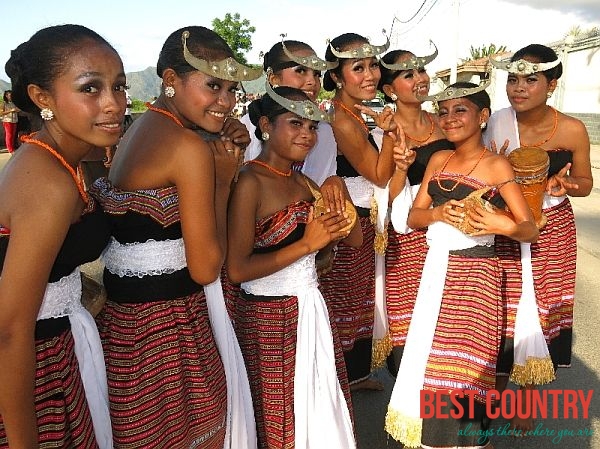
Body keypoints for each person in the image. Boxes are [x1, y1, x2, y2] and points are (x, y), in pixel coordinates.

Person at [90, 26, 261, 449]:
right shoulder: (188, 148)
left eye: (231, 88)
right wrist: (222, 181)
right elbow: (206, 268)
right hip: (169, 331)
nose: (226, 101)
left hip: (126, 329)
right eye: (213, 86)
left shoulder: (139, 129)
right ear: (170, 81)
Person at [385, 81, 539, 449]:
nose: (450, 118)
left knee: (467, 369)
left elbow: (529, 227)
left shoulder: (496, 164)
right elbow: (413, 217)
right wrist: (438, 212)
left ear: (483, 116)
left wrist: (502, 224)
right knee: (433, 368)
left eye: (461, 110)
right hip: (436, 273)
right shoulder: (439, 160)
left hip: (476, 278)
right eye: (444, 111)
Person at [0, 24, 125, 448]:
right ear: (42, 99)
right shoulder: (46, 181)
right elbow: (10, 330)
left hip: (58, 353)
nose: (114, 104)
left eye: (119, 87)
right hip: (32, 373)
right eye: (91, 88)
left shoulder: (61, 161)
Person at [227, 83, 361, 449]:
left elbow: (354, 239)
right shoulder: (250, 182)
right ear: (266, 125)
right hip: (266, 319)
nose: (306, 134)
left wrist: (338, 188)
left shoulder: (303, 181)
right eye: (295, 124)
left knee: (313, 407)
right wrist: (307, 244)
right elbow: (237, 270)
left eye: (313, 126)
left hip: (310, 311)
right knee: (278, 417)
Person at [486, 43, 593, 432]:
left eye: (531, 79)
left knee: (544, 308)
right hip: (505, 225)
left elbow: (585, 183)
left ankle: (527, 396)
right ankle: (495, 395)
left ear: (552, 84)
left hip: (553, 229)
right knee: (502, 309)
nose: (519, 87)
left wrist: (567, 184)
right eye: (513, 79)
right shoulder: (495, 123)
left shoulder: (572, 129)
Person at [318, 32, 397, 391]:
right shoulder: (342, 119)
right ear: (335, 77)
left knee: (356, 301)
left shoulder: (353, 113)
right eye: (358, 68)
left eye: (372, 66)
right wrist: (391, 134)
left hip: (362, 219)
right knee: (343, 303)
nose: (370, 75)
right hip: (348, 223)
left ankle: (351, 375)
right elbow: (380, 173)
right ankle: (337, 381)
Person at [372, 45, 454, 375]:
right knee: (411, 331)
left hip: (450, 234)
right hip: (407, 243)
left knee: (447, 325)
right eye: (409, 75)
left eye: (421, 71)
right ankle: (409, 414)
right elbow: (386, 197)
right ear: (390, 90)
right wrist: (402, 168)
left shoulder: (445, 123)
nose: (420, 78)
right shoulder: (383, 134)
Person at [242, 37, 338, 186]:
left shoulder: (323, 131)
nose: (312, 81)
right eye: (301, 71)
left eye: (317, 74)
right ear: (273, 79)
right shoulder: (246, 125)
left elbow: (319, 187)